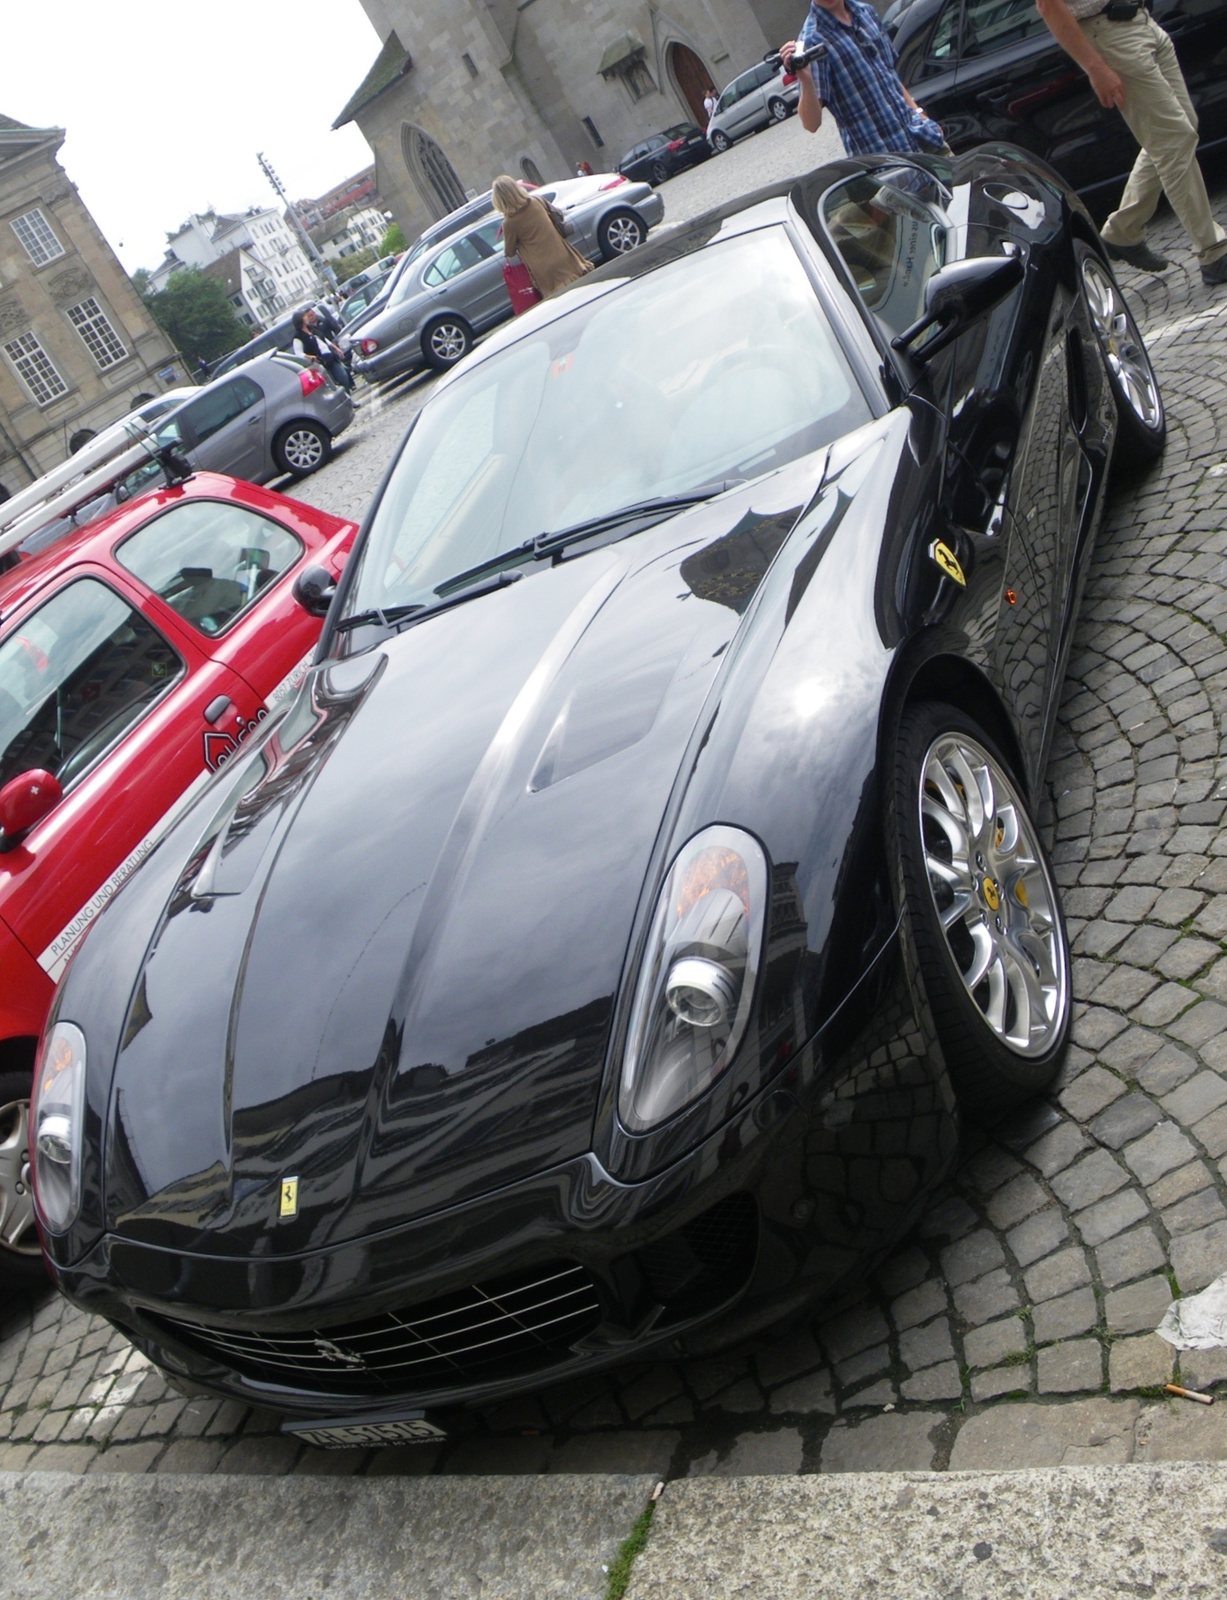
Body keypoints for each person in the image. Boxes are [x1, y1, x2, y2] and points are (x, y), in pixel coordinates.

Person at [1035, 0, 1227, 282]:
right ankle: (1212, 251)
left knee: (1178, 132)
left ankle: (1123, 230)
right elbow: (1048, 5)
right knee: (1174, 138)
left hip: (1141, 21)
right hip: (1109, 34)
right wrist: (1095, 67)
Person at [781, 0, 947, 158]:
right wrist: (806, 79)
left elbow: (889, 73)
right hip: (888, 163)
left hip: (924, 139)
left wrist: (921, 115)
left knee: (962, 184)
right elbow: (811, 124)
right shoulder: (812, 40)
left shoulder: (866, 12)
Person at [491, 175, 593, 299]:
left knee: (562, 300)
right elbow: (557, 214)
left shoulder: (510, 223)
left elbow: (510, 252)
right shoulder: (536, 201)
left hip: (543, 268)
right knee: (584, 291)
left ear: (500, 200)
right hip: (563, 254)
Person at [290, 307, 353, 391]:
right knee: (332, 384)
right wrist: (310, 357)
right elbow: (298, 353)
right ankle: (343, 399)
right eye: (305, 317)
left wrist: (336, 348)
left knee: (343, 375)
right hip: (320, 363)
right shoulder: (298, 337)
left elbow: (323, 339)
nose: (307, 318)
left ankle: (348, 394)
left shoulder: (311, 329)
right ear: (300, 320)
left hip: (330, 357)